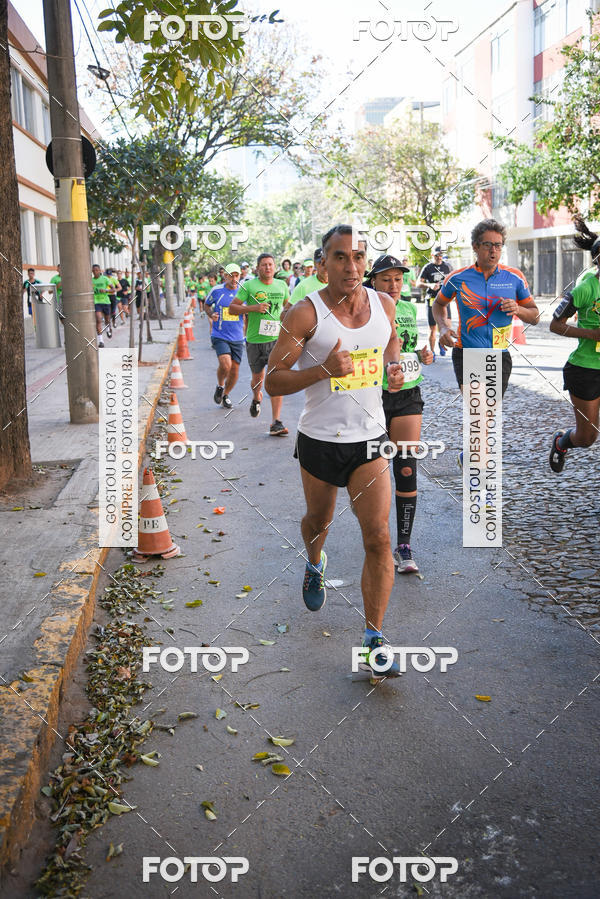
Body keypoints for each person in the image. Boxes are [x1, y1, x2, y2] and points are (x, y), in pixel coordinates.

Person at [265, 225, 406, 680]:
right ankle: (314, 562)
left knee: (378, 537)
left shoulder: (384, 305)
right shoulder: (305, 314)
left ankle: (374, 639)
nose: (351, 265)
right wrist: (323, 370)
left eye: (358, 257)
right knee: (318, 521)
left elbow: (390, 344)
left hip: (370, 439)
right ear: (323, 263)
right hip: (320, 440)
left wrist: (394, 368)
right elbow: (273, 381)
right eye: (340, 257)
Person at [433, 219, 539, 466]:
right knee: (478, 409)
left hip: (499, 355)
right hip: (467, 353)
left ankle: (472, 453)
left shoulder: (514, 277)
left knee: (487, 413)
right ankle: (476, 462)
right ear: (475, 247)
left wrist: (518, 310)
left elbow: (534, 315)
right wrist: (443, 327)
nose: (493, 250)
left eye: (498, 245)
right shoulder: (458, 278)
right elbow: (438, 304)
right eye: (488, 245)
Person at [365, 254, 434, 574]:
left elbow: (407, 347)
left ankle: (404, 545)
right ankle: (377, 538)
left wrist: (422, 354)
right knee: (375, 473)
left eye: (398, 279)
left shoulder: (407, 308)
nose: (393, 285)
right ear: (373, 282)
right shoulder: (362, 310)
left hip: (408, 393)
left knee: (406, 468)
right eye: (386, 279)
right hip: (372, 397)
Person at [549, 216, 600, 472]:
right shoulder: (585, 288)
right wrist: (592, 334)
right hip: (586, 369)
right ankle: (561, 442)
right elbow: (555, 325)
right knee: (587, 437)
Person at [231, 253, 290, 436]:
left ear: (275, 267)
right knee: (258, 379)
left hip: (276, 341)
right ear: (258, 268)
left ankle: (276, 422)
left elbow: (288, 307)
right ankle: (257, 397)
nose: (268, 267)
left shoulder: (281, 285)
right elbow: (233, 308)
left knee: (276, 379)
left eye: (270, 264)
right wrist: (253, 308)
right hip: (255, 341)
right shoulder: (249, 286)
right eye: (264, 265)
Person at [205, 264, 244, 410]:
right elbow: (207, 305)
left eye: (236, 275)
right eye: (230, 275)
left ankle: (225, 395)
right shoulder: (217, 290)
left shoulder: (244, 292)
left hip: (237, 336)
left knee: (234, 371)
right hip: (220, 334)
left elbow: (248, 312)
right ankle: (220, 385)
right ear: (225, 276)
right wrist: (211, 314)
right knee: (226, 365)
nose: (234, 279)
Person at [418, 247, 451, 356]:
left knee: (447, 325)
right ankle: (432, 352)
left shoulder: (447, 267)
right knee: (432, 328)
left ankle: (441, 344)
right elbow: (418, 283)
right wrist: (430, 285)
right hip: (432, 299)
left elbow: (453, 281)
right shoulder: (428, 267)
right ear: (432, 255)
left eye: (441, 255)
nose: (439, 257)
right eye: (437, 255)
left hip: (445, 300)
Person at [92, 264, 111, 347]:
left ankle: (108, 329)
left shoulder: (105, 279)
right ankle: (101, 341)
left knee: (107, 320)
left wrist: (106, 290)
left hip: (106, 301)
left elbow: (114, 289)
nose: (95, 272)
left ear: (100, 271)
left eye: (96, 270)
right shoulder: (91, 281)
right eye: (93, 270)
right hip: (96, 302)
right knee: (98, 320)